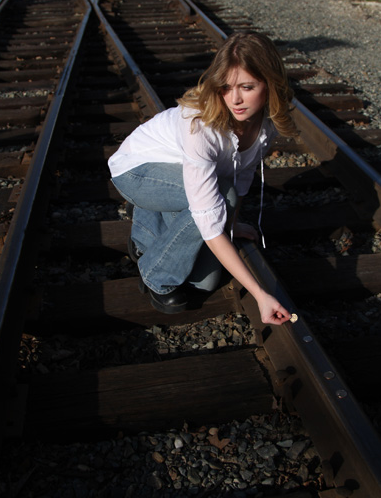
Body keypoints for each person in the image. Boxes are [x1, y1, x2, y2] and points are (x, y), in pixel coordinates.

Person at [108, 31, 297, 324]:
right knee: (223, 197)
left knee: (204, 283)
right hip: (137, 170)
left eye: (247, 87)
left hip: (179, 176)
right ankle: (155, 274)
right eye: (225, 87)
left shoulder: (265, 125)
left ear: (270, 84)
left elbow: (243, 174)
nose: (235, 99)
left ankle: (147, 227)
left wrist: (232, 224)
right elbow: (209, 220)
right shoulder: (201, 125)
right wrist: (261, 295)